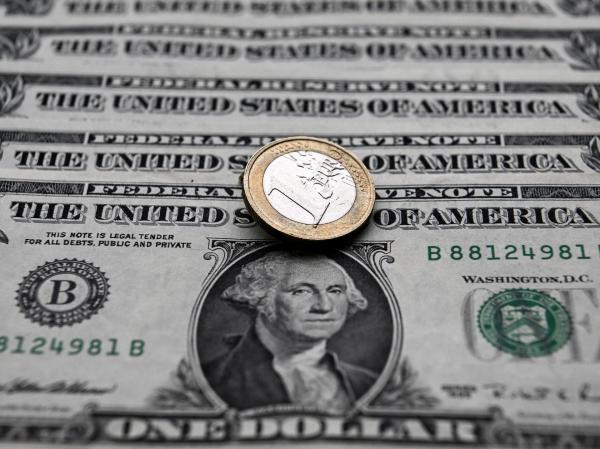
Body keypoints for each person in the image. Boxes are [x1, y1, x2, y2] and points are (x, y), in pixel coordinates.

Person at [202, 251, 377, 414]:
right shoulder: (208, 380)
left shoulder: (367, 383)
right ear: (261, 298)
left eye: (335, 291)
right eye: (301, 291)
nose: (324, 306)